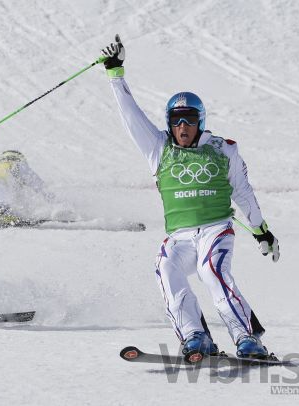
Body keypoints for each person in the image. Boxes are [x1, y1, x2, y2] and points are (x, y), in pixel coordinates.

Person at [100, 36, 280, 361]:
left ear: (201, 121)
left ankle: (246, 338)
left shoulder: (222, 149)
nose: (183, 126)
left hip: (215, 230)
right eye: (176, 119)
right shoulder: (159, 149)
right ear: (169, 123)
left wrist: (260, 229)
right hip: (180, 237)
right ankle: (195, 336)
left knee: (212, 271)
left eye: (190, 119)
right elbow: (131, 116)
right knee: (165, 266)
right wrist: (116, 74)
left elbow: (242, 190)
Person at [0, 150, 57, 225]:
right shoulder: (17, 165)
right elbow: (38, 184)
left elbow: (17, 199)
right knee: (1, 203)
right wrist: (54, 202)